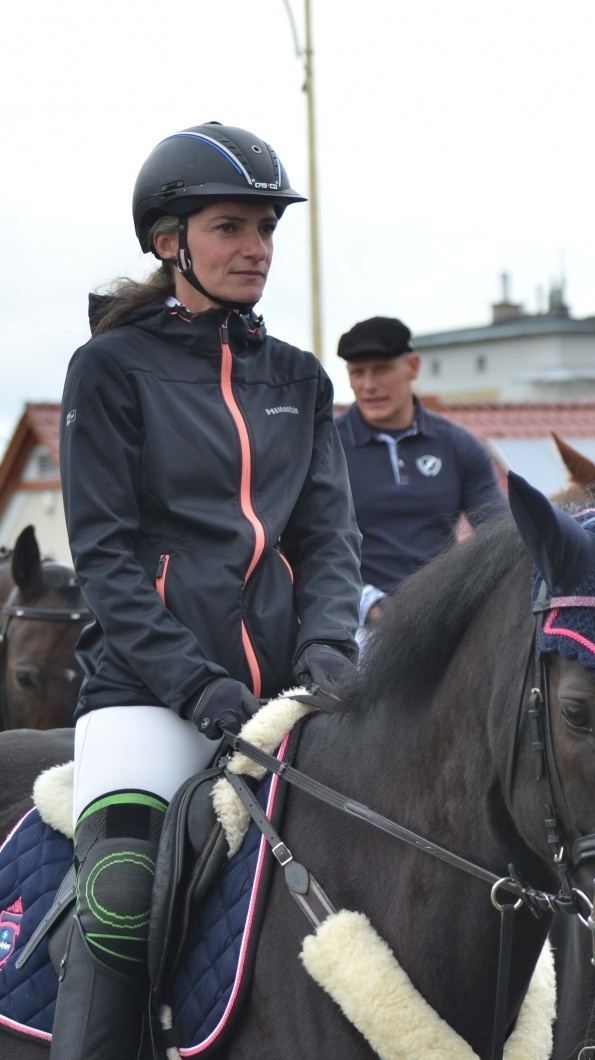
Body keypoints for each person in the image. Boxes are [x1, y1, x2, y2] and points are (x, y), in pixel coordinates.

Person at [55, 122, 361, 1060]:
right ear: (168, 240)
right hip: (150, 700)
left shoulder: (301, 380)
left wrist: (326, 655)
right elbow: (106, 560)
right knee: (119, 902)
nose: (257, 249)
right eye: (231, 227)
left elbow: (329, 542)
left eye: (266, 228)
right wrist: (197, 686)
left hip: (283, 701)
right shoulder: (107, 370)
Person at [334, 316, 506, 594]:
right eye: (357, 373)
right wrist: (366, 604)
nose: (369, 385)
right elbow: (305, 547)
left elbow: (500, 533)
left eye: (382, 370)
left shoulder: (458, 445)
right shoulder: (326, 447)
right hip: (352, 617)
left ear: (413, 367)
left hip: (439, 611)